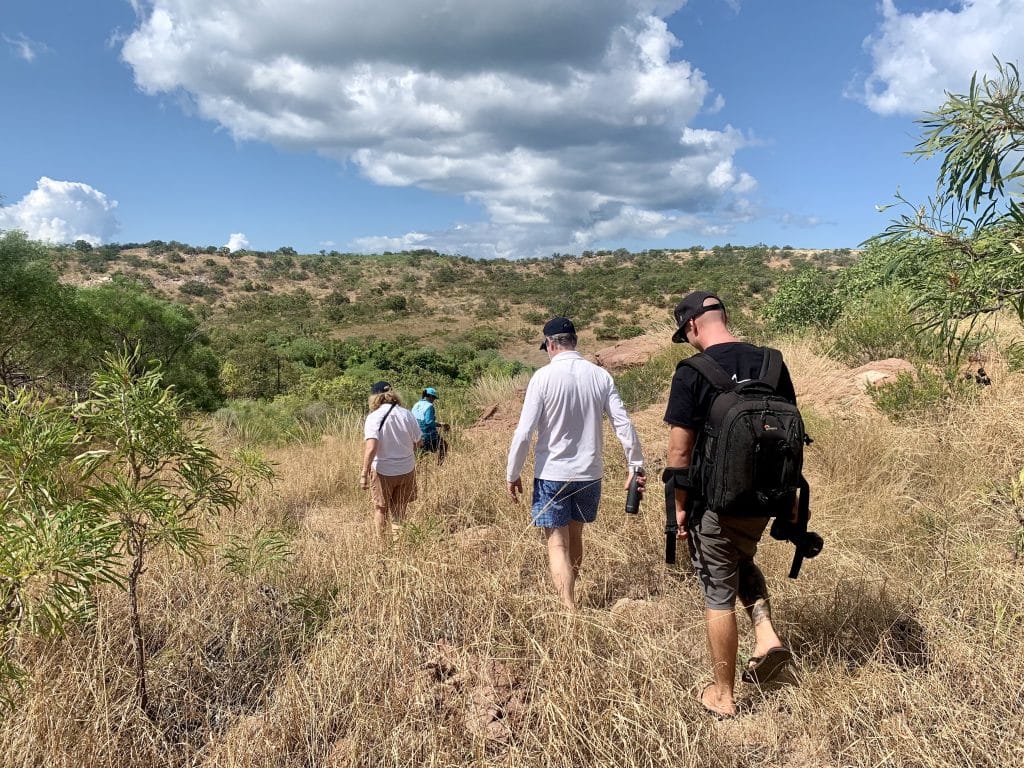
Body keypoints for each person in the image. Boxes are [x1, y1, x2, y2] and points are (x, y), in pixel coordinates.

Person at [664, 291, 799, 718]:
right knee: (740, 558)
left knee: (717, 588)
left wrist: (678, 506)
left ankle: (722, 695)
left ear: (691, 327)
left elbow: (679, 452)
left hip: (716, 502)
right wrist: (791, 502)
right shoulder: (772, 362)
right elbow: (790, 441)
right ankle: (766, 637)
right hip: (766, 499)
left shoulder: (691, 372)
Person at [506, 317, 645, 610]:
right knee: (576, 535)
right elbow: (623, 424)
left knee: (557, 542)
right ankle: (573, 593)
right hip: (590, 473)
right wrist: (635, 465)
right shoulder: (600, 376)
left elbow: (523, 433)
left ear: (551, 344)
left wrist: (513, 472)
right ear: (574, 342)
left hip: (552, 474)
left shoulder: (542, 378)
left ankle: (568, 607)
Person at [360, 381, 422, 540]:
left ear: (375, 397)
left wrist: (364, 473)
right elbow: (418, 442)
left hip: (383, 471)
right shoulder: (407, 414)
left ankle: (382, 547)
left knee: (381, 509)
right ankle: (398, 546)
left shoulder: (374, 417)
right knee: (400, 510)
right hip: (406, 469)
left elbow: (371, 447)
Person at [412, 386, 449, 464]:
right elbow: (428, 422)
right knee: (444, 445)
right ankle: (439, 466)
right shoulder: (429, 406)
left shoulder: (416, 405)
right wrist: (441, 425)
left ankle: (417, 472)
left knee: (419, 457)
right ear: (430, 396)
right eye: (434, 397)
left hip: (415, 435)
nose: (434, 400)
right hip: (427, 435)